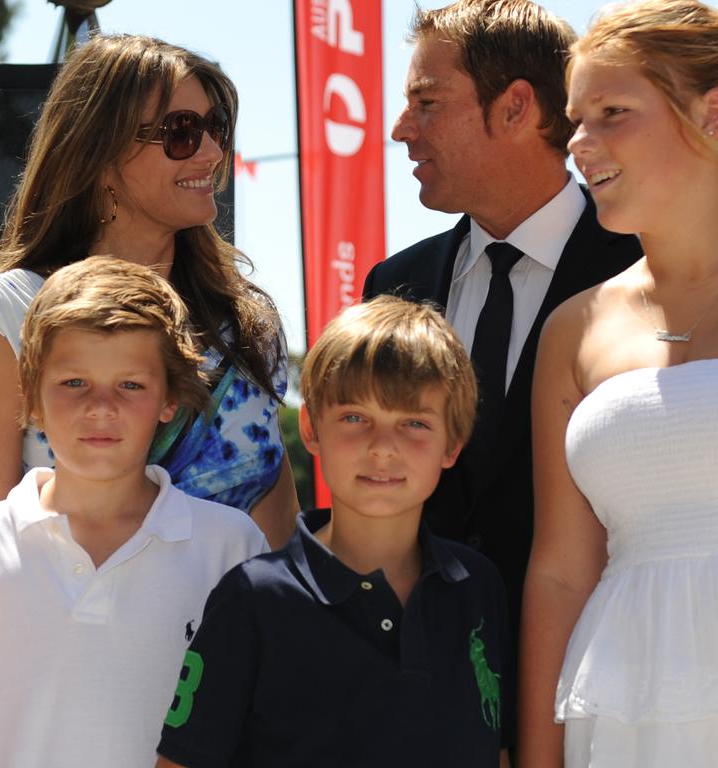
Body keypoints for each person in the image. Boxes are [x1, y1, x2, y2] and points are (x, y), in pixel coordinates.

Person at [361, 0, 642, 641]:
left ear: (516, 107)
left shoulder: (650, 268)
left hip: (608, 671)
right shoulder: (391, 286)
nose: (402, 128)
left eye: (427, 102)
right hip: (422, 685)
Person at [0, 257, 268, 768]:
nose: (101, 407)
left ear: (170, 398)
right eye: (74, 383)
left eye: (130, 385)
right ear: (32, 397)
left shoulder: (233, 548)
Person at [0, 33, 296, 546]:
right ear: (101, 153)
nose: (213, 151)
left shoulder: (247, 325)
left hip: (237, 625)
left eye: (216, 128)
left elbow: (278, 543)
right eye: (182, 131)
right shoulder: (9, 314)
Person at [156, 296, 513, 767]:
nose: (383, 448)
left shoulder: (479, 587)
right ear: (311, 429)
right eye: (354, 418)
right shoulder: (252, 600)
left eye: (414, 423)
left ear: (453, 443)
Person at [520, 2, 718, 765]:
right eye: (574, 120)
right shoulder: (574, 329)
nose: (578, 144)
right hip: (625, 712)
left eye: (612, 113)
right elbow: (561, 573)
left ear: (710, 113)